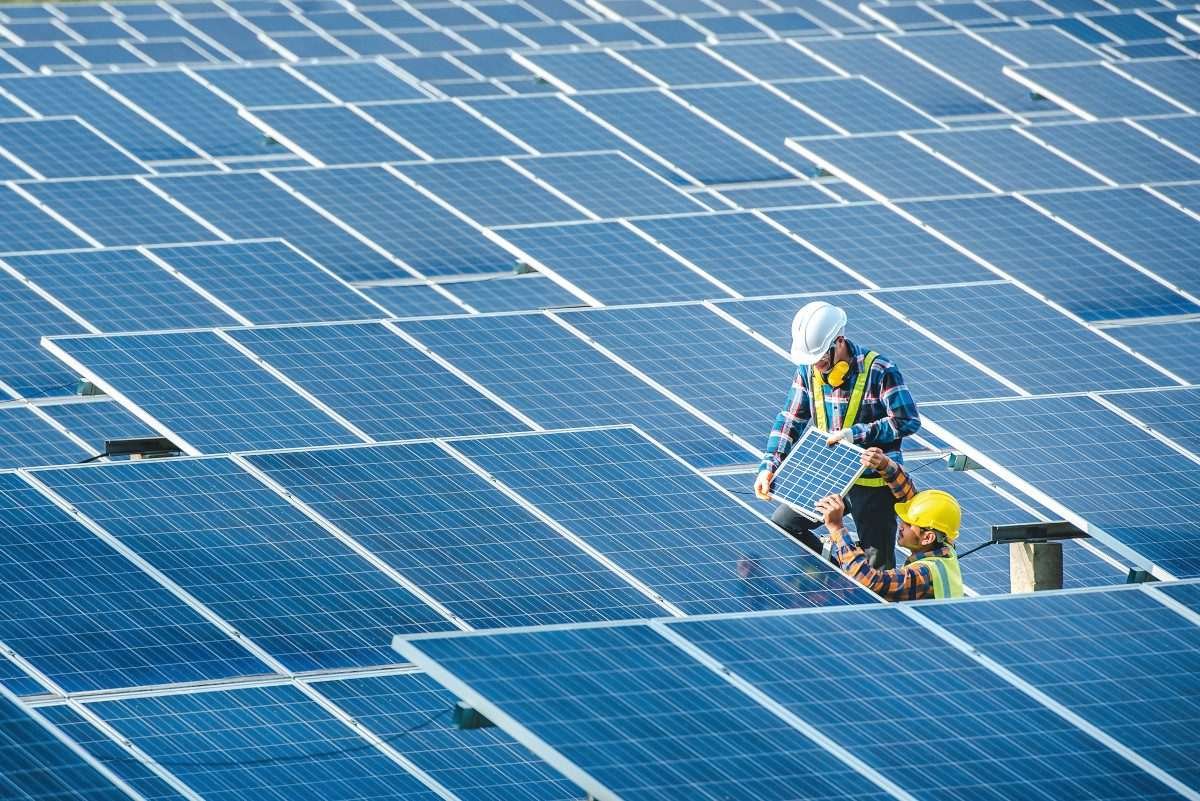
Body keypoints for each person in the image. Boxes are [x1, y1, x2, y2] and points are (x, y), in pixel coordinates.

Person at [754, 301, 921, 569]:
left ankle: (868, 590)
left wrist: (856, 434)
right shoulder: (808, 370)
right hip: (828, 475)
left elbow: (907, 421)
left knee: (878, 566)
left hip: (873, 483)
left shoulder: (880, 370)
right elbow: (790, 420)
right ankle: (841, 577)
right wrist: (768, 466)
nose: (818, 367)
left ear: (839, 341)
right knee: (785, 525)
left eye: (820, 358)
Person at [814, 447, 962, 600]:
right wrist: (884, 464)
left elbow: (869, 582)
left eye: (909, 523)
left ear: (928, 538)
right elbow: (911, 498)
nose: (901, 525)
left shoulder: (923, 575)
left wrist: (837, 528)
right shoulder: (944, 543)